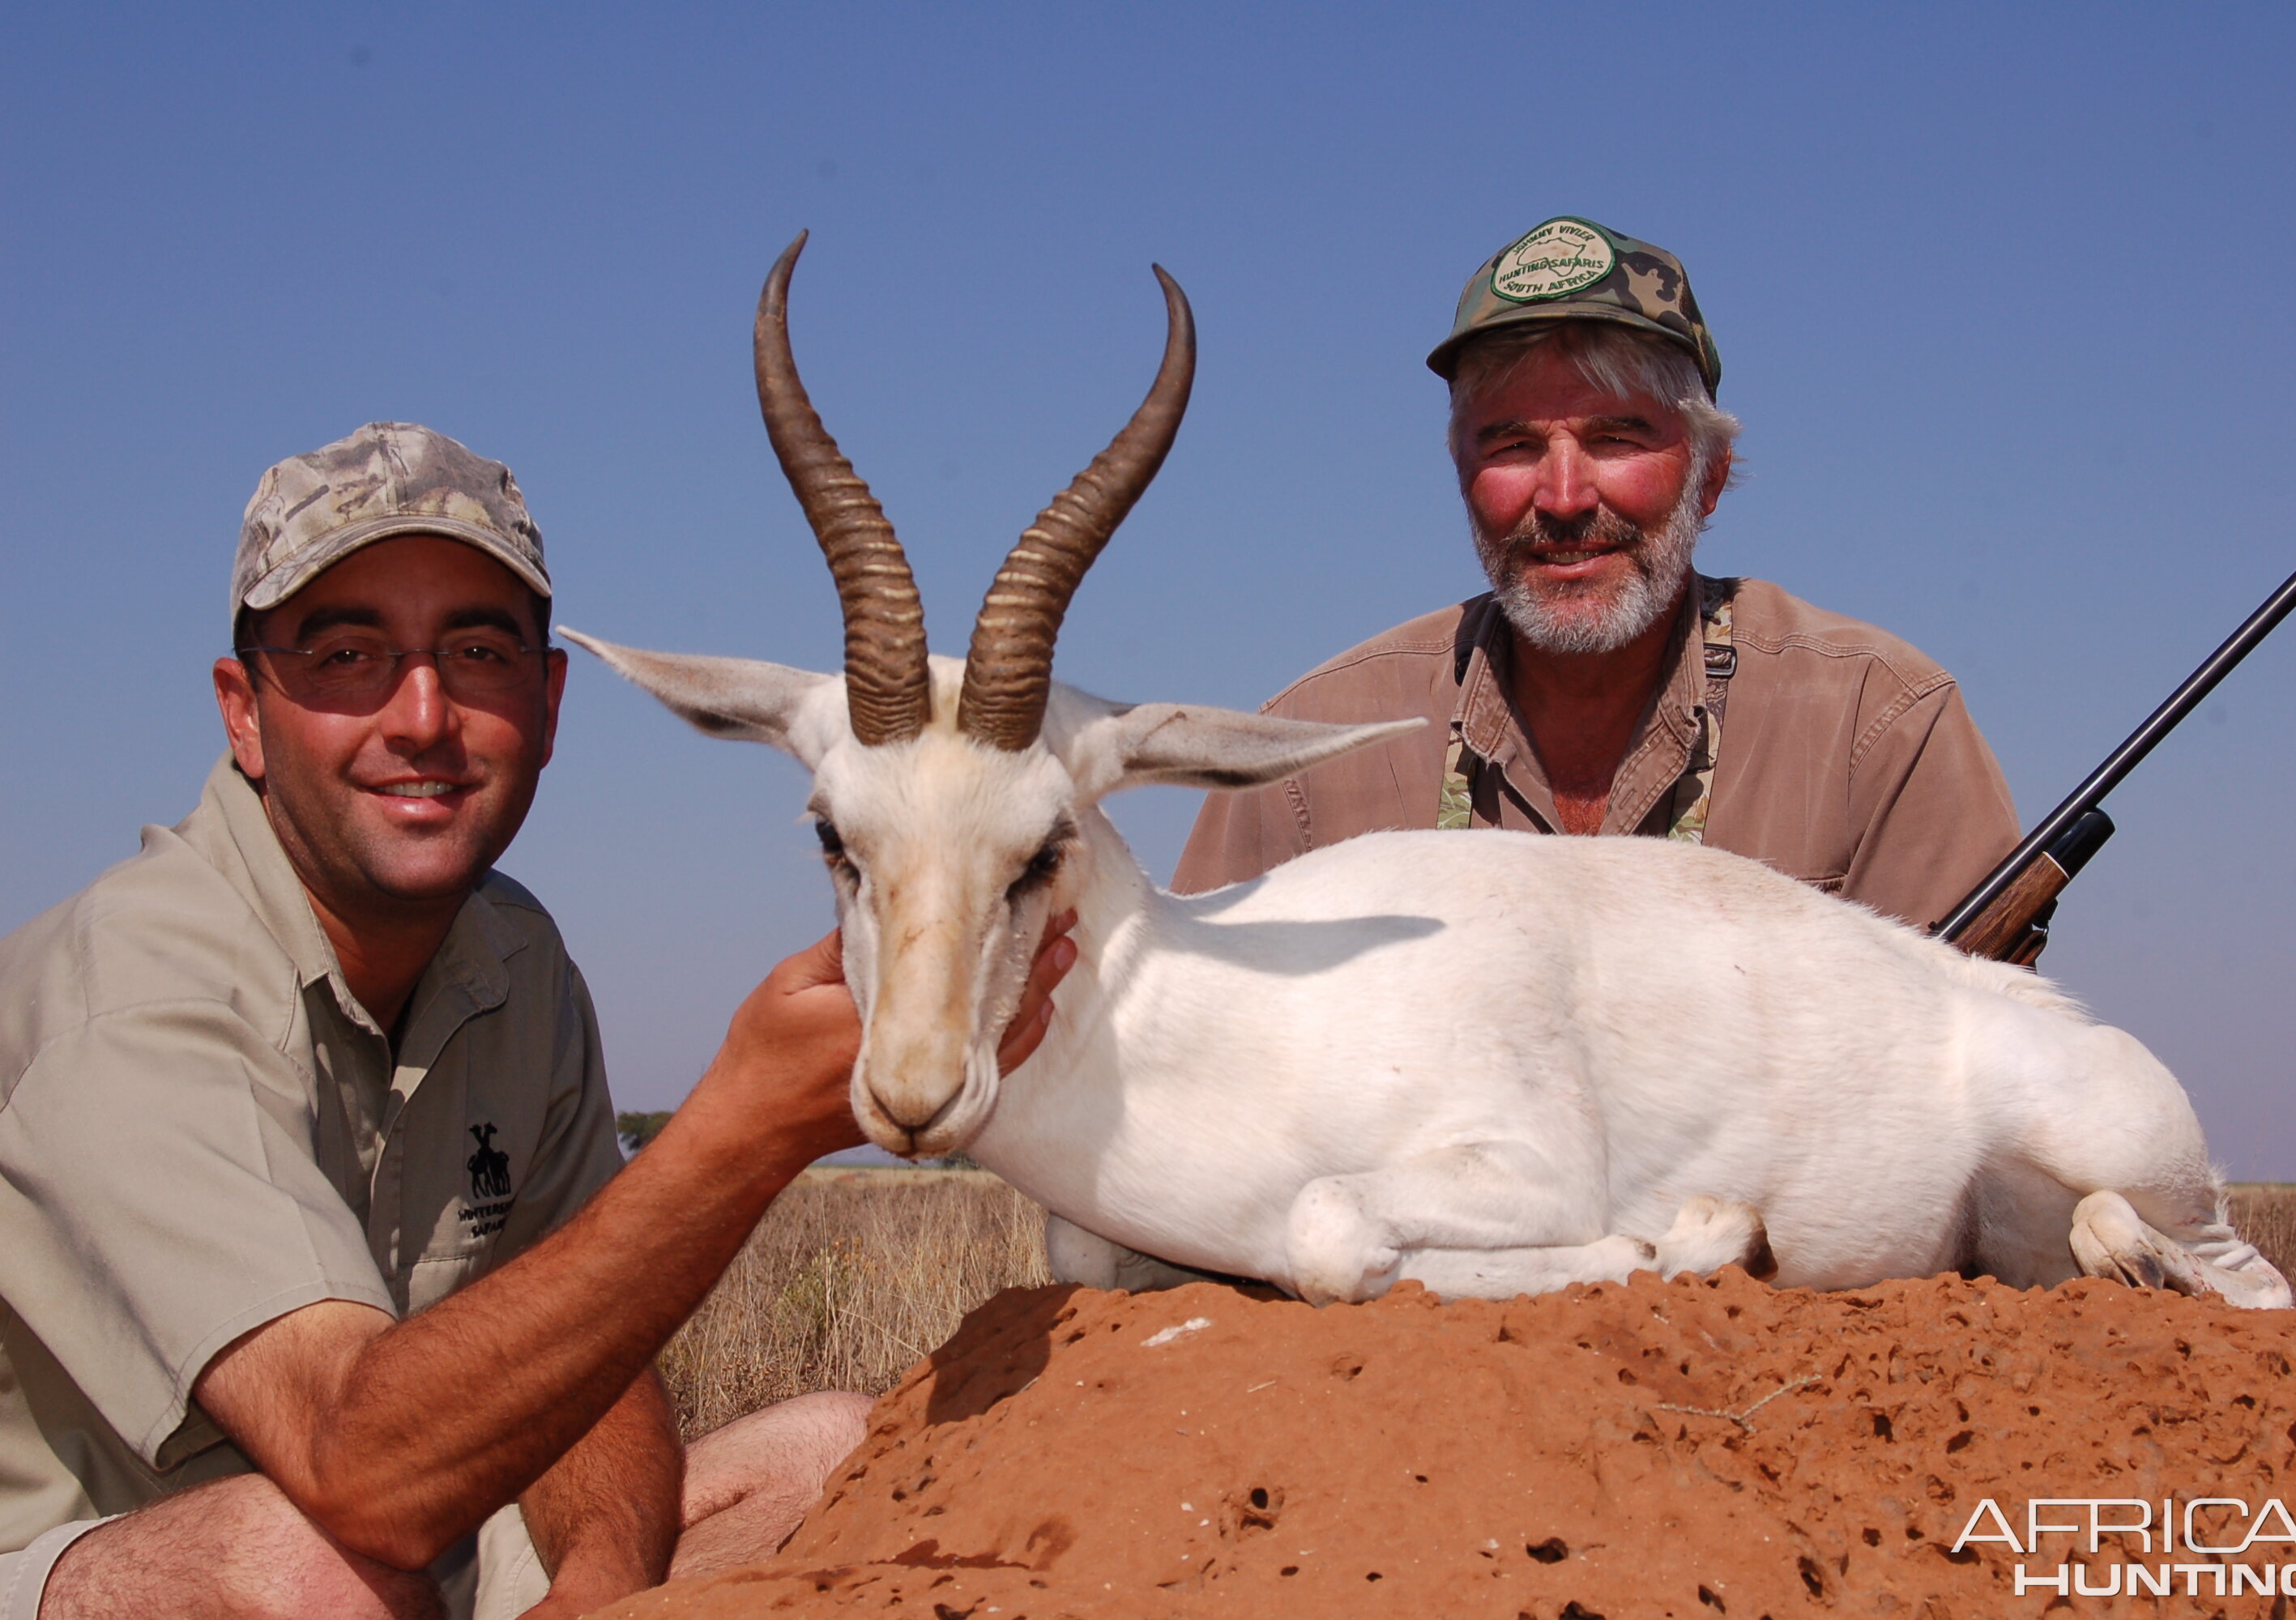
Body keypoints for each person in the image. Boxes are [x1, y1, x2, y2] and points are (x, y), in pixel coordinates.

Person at [0, 424, 1073, 1620]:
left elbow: (584, 1375)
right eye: (347, 652)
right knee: (316, 1574)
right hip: (154, 1562)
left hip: (420, 1551)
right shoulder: (135, 987)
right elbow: (365, 1472)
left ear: (549, 704)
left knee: (833, 1453)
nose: (422, 714)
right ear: (244, 710)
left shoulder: (515, 959)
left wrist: (606, 1582)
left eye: (474, 648)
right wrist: (741, 1133)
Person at [1173, 216, 2020, 929]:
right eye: (1511, 445)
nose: (1564, 496)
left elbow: (1973, 1090)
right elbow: (1193, 1074)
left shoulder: (1877, 727)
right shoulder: (1307, 756)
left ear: (1710, 474)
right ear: (1461, 474)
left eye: (1616, 438)